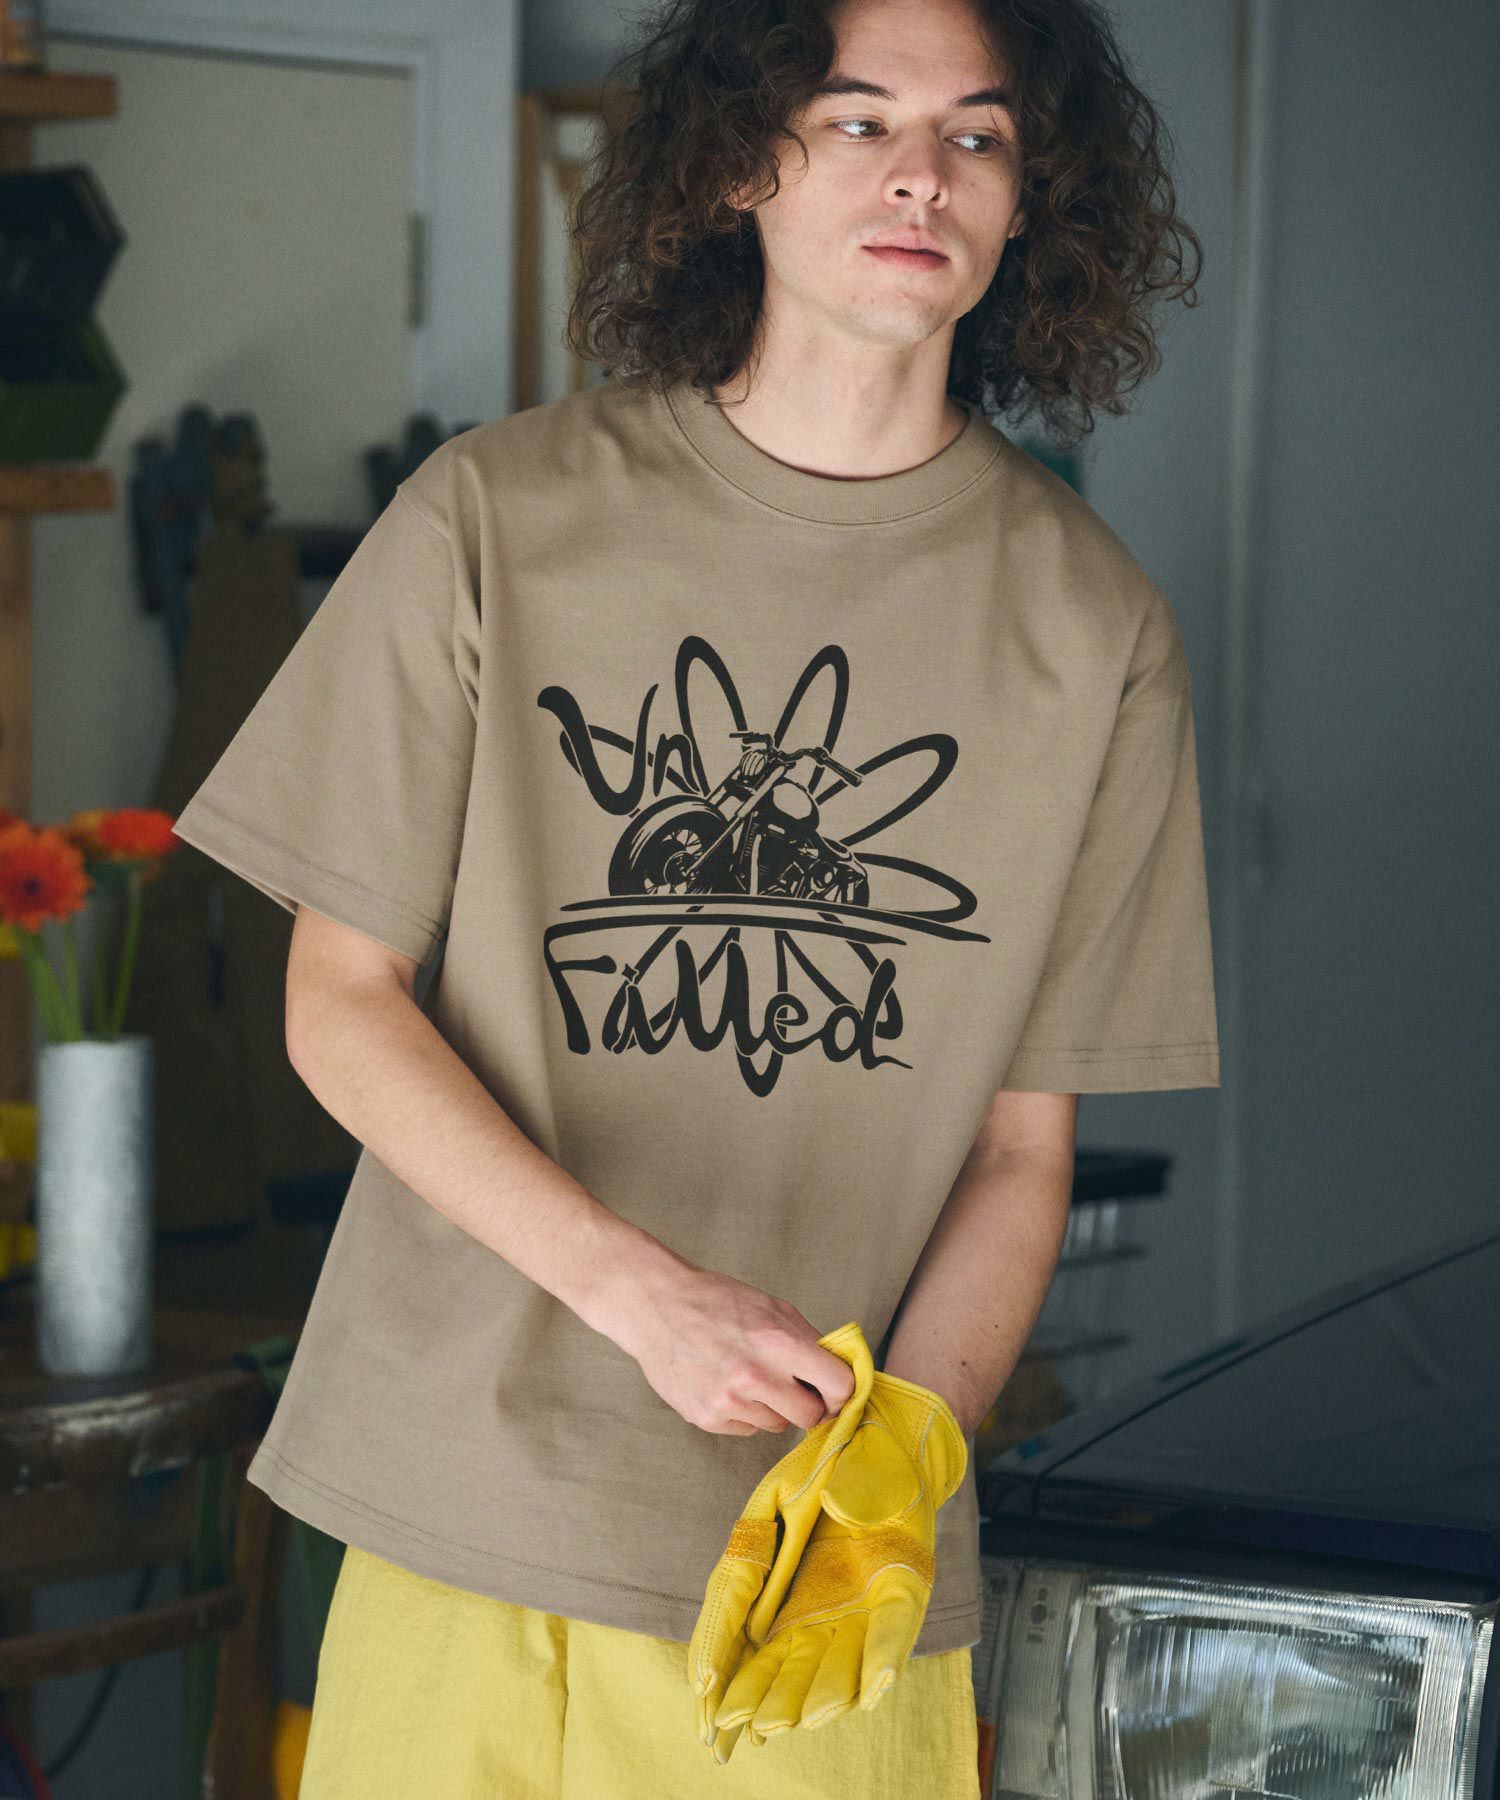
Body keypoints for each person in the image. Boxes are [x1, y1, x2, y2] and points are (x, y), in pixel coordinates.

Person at [170, 0, 1218, 1791]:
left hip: (819, 1594)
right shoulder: (493, 516)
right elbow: (338, 1006)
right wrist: (640, 1295)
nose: (923, 175)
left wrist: (906, 1457)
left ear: (1033, 197)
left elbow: (1019, 1153)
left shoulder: (1093, 626)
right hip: (459, 1512)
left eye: (977, 134)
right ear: (739, 161)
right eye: (860, 119)